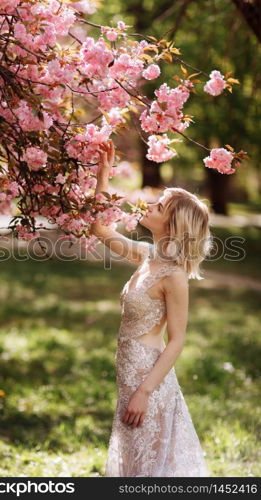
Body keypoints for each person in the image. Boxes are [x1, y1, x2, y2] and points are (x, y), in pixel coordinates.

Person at [90, 139, 213, 477]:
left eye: (159, 206)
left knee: (152, 469)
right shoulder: (148, 256)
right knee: (135, 463)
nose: (150, 206)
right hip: (127, 373)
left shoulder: (174, 276)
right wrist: (103, 175)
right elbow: (101, 229)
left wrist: (145, 391)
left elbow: (177, 340)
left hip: (147, 378)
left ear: (173, 225)